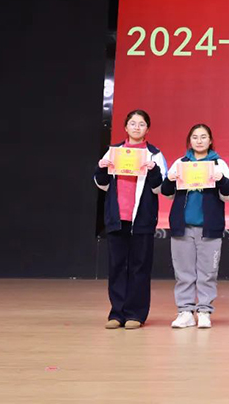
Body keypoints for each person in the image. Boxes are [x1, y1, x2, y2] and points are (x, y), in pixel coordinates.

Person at [94, 109, 166, 330]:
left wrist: (153, 171)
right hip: (117, 218)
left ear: (147, 129)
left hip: (142, 220)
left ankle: (136, 314)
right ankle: (117, 313)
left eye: (141, 124)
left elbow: (160, 188)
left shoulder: (154, 154)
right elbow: (102, 184)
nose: (136, 127)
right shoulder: (113, 151)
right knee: (116, 266)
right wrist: (102, 169)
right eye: (133, 123)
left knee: (139, 267)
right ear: (125, 127)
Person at [162, 124, 229, 329]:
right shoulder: (180, 163)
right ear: (190, 140)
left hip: (209, 228)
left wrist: (221, 180)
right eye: (195, 137)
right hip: (182, 227)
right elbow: (167, 193)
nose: (199, 141)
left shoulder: (219, 164)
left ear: (210, 140)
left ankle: (204, 311)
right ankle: (185, 312)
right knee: (183, 273)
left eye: (203, 137)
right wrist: (169, 180)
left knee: (208, 273)